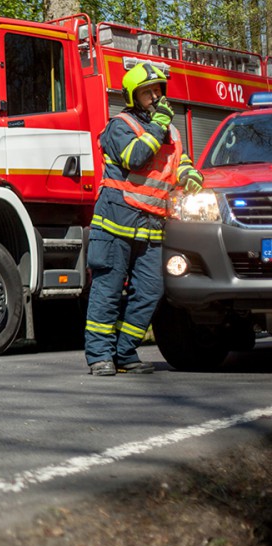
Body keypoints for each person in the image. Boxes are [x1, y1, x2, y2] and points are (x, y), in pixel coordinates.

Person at [84, 63, 203, 376]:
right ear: (133, 97)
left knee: (151, 291)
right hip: (114, 224)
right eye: (147, 92)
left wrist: (190, 174)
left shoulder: (171, 131)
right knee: (107, 291)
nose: (154, 97)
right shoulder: (119, 125)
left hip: (151, 226)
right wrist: (158, 125)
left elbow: (180, 162)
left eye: (157, 90)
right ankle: (99, 356)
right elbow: (136, 157)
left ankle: (125, 352)